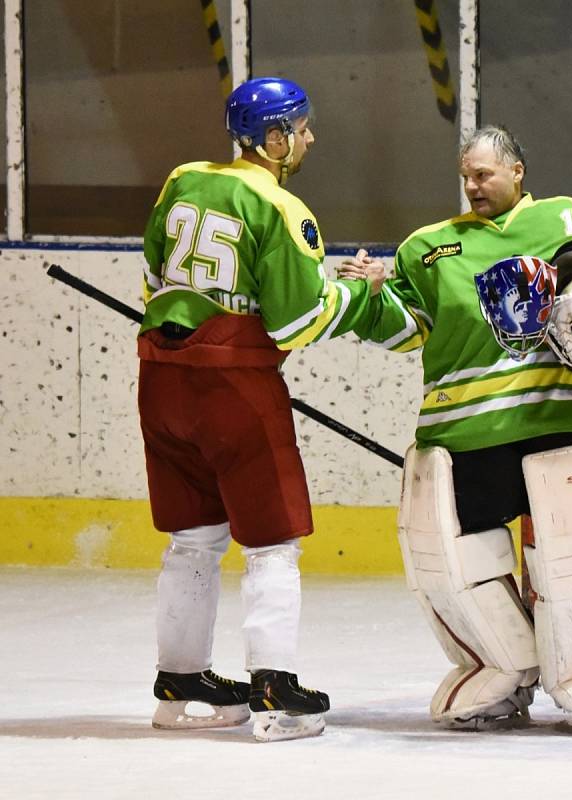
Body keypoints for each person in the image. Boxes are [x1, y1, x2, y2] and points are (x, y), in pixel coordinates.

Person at [339, 125, 572, 733]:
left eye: (484, 174)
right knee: (455, 565)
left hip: (556, 421)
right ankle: (497, 674)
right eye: (466, 175)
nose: (472, 185)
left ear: (516, 171)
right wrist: (366, 296)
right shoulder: (428, 247)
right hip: (464, 436)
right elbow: (402, 329)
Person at [138, 77, 381, 742]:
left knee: (191, 540)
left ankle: (180, 680)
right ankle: (274, 685)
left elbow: (155, 277)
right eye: (300, 129)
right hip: (233, 388)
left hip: (159, 381)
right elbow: (301, 318)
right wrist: (357, 294)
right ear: (274, 137)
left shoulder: (182, 180)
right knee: (274, 542)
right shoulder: (280, 205)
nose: (309, 139)